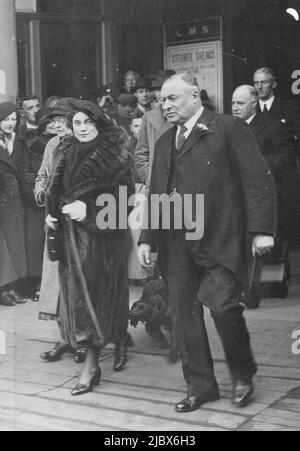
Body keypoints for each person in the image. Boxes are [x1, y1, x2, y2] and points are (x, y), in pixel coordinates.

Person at [138, 73, 277, 413]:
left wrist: (261, 230)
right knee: (184, 314)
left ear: (195, 96)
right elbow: (156, 192)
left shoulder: (228, 128)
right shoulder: (164, 141)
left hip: (220, 238)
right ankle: (201, 387)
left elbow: (257, 181)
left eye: (172, 98)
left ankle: (243, 373)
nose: (165, 105)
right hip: (175, 243)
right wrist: (147, 239)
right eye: (162, 101)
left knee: (223, 306)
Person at [45, 99, 134, 396]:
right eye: (77, 123)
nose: (82, 129)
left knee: (94, 302)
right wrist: (52, 212)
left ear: (99, 124)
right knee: (78, 303)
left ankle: (91, 367)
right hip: (71, 241)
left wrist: (91, 210)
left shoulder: (115, 155)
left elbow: (126, 201)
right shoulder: (67, 151)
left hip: (101, 243)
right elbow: (57, 190)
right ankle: (99, 353)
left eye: (88, 123)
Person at [232, 85, 298, 306]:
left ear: (254, 103)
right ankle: (249, 289)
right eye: (232, 103)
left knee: (264, 245)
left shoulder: (271, 127)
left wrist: (254, 167)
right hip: (238, 197)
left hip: (265, 196)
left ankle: (257, 292)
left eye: (240, 103)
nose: (234, 107)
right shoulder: (230, 128)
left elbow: (286, 157)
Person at [35, 99, 86, 364]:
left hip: (78, 222)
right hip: (54, 221)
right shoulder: (51, 146)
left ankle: (82, 340)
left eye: (64, 122)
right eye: (54, 122)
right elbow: (42, 176)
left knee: (78, 282)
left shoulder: (86, 147)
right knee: (56, 283)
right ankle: (65, 339)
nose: (58, 127)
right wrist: (41, 191)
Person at [0, 102, 28, 306]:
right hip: (2, 198)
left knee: (14, 245)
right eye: (5, 119)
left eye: (13, 120)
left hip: (15, 200)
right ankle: (4, 289)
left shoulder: (18, 141)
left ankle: (11, 288)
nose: (10, 123)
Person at [253, 67, 300, 149]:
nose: (259, 87)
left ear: (273, 84)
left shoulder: (289, 107)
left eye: (264, 82)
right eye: (256, 83)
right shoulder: (251, 108)